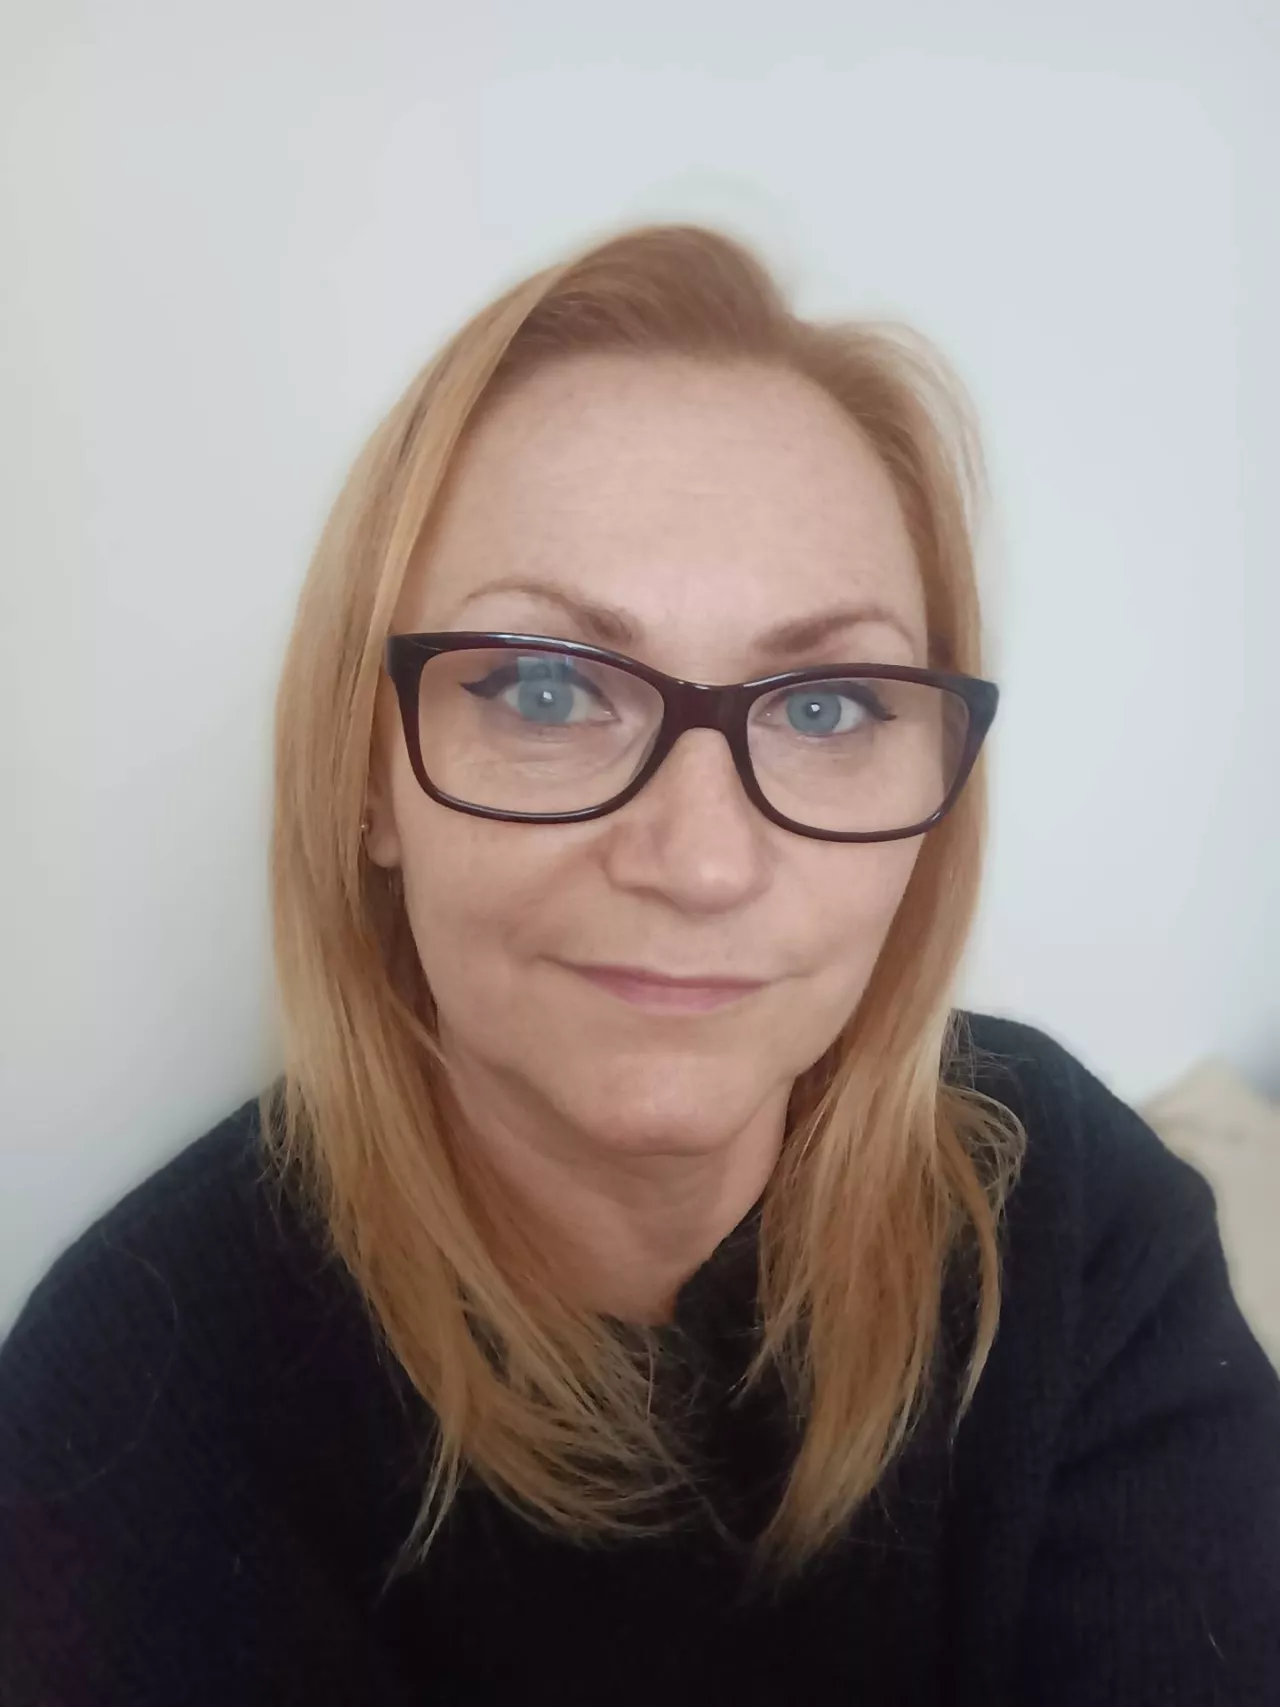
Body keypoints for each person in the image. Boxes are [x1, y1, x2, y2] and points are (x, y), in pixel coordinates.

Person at [1, 223, 1277, 1707]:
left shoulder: (1064, 1215)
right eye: (546, 689)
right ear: (365, 780)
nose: (701, 861)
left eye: (827, 707)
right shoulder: (133, 1413)